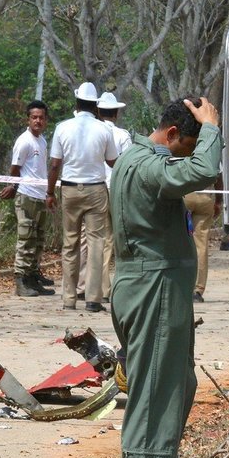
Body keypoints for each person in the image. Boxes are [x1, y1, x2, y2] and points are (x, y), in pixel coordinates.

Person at [109, 96, 222, 458]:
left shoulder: (141, 159)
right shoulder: (146, 164)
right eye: (187, 145)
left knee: (175, 389)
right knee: (154, 401)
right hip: (152, 293)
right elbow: (199, 173)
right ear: (172, 134)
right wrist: (211, 128)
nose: (187, 155)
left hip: (159, 292)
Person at [46, 82, 118, 312]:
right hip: (96, 190)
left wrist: (49, 192)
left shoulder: (62, 127)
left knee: (70, 243)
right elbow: (112, 161)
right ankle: (93, 300)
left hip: (69, 189)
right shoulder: (104, 129)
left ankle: (68, 298)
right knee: (96, 243)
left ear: (76, 103)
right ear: (96, 106)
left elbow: (55, 163)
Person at [77, 91, 131, 302]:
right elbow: (126, 165)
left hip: (94, 188)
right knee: (110, 241)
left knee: (91, 239)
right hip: (115, 190)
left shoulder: (93, 131)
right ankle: (107, 289)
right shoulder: (123, 135)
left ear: (98, 111)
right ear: (116, 113)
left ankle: (90, 286)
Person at [0, 100, 55, 297]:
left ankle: (33, 278)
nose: (37, 121)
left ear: (46, 120)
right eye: (34, 117)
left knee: (37, 240)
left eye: (41, 118)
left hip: (40, 196)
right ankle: (20, 282)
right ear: (28, 119)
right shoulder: (24, 141)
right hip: (26, 196)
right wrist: (13, 187)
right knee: (25, 240)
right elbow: (15, 168)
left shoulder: (42, 140)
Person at [183, 174, 224, 302]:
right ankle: (197, 290)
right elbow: (219, 176)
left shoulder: (177, 152)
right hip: (205, 196)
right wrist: (218, 201)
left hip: (184, 195)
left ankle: (181, 286)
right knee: (201, 245)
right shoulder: (209, 153)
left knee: (179, 240)